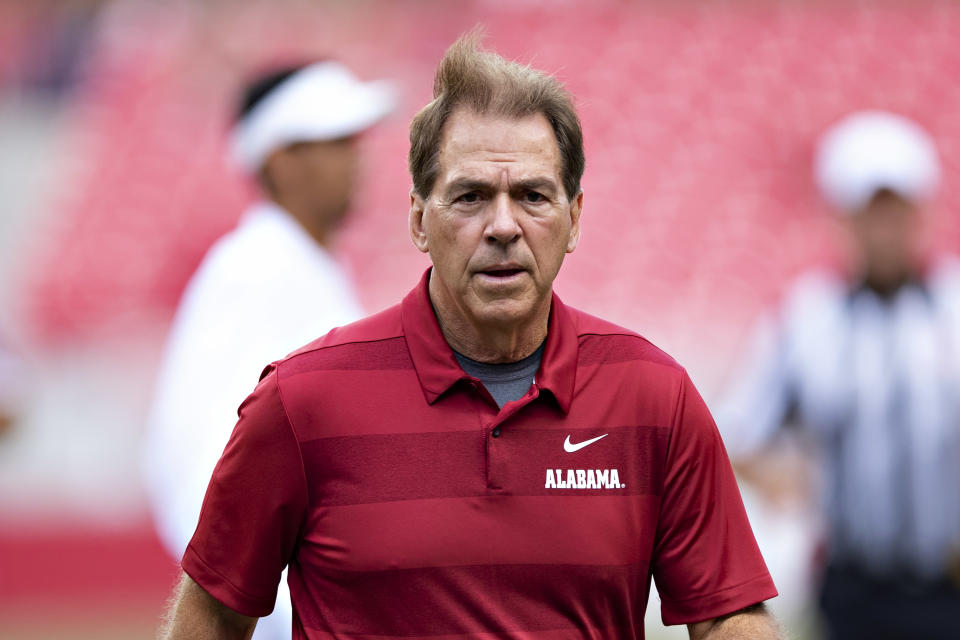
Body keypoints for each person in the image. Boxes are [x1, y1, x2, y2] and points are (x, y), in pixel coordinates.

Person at [161, 34, 781, 640]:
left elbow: (727, 612)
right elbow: (215, 613)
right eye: (470, 196)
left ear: (574, 218)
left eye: (534, 195)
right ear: (417, 219)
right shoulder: (299, 400)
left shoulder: (655, 397)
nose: (504, 226)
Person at [143, 60, 394, 640]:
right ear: (281, 161)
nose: (358, 155)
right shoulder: (253, 272)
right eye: (335, 141)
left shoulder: (304, 269)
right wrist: (278, 608)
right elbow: (207, 468)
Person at [716, 110, 960, 639]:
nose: (885, 229)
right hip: (854, 588)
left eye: (896, 211)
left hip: (949, 581)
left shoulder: (955, 308)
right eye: (870, 213)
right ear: (843, 218)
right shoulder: (809, 318)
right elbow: (736, 430)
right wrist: (780, 477)